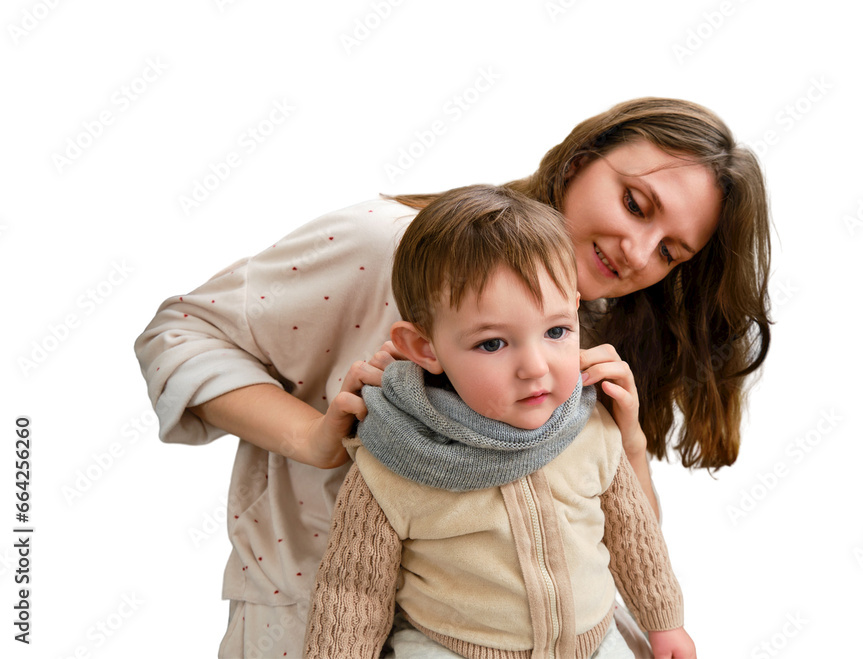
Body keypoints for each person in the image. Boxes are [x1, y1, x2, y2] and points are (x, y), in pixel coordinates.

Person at [134, 97, 770, 658]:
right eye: (635, 204)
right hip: (312, 617)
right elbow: (181, 333)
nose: (636, 252)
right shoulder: (392, 245)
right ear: (578, 160)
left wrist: (626, 441)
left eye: (669, 252)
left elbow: (620, 530)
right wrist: (314, 439)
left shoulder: (595, 321)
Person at [304, 184, 694, 658]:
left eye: (555, 331)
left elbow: (634, 536)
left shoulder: (591, 428)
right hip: (451, 648)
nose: (535, 367)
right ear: (425, 349)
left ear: (574, 311)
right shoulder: (393, 457)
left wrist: (665, 623)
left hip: (591, 642)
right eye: (492, 343)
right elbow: (353, 591)